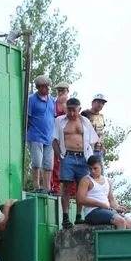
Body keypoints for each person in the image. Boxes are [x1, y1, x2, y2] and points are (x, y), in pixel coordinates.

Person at [53, 97, 98, 228]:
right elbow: (54, 140)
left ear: (79, 109)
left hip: (83, 157)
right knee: (66, 187)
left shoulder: (85, 122)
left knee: (81, 188)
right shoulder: (59, 121)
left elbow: (92, 141)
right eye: (69, 110)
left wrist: (91, 158)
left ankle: (79, 216)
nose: (72, 113)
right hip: (68, 156)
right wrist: (60, 156)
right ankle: (65, 217)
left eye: (74, 110)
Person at [76, 155, 131, 229]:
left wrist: (117, 207)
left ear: (101, 166)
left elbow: (111, 199)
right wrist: (100, 204)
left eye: (95, 168)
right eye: (90, 169)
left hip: (106, 211)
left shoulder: (107, 181)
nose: (92, 171)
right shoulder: (86, 180)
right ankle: (118, 237)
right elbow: (80, 199)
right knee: (120, 221)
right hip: (92, 212)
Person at [27, 75, 55, 192]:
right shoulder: (31, 99)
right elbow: (27, 118)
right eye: (44, 86)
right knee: (37, 162)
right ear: (38, 87)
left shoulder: (52, 100)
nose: (47, 88)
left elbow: (54, 117)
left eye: (48, 86)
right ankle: (36, 186)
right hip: (35, 135)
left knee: (48, 164)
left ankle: (47, 188)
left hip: (49, 137)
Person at [50, 81, 70, 195]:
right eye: (59, 90)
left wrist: (65, 105)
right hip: (55, 137)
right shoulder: (53, 103)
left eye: (63, 90)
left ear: (68, 91)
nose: (61, 92)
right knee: (55, 163)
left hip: (68, 137)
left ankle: (71, 192)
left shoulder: (71, 105)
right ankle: (55, 188)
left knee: (70, 163)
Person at [81, 94, 108, 161]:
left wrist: (103, 146)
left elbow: (101, 133)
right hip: (88, 148)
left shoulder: (101, 116)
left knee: (99, 167)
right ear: (93, 102)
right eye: (98, 102)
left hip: (99, 149)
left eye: (102, 103)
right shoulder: (85, 113)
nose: (100, 105)